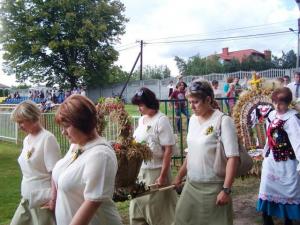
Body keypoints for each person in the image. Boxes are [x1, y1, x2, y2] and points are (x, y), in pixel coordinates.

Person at [174, 79, 240, 225]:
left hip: (214, 188)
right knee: (181, 220)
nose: (191, 106)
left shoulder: (223, 121)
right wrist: (179, 176)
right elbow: (190, 153)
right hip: (191, 185)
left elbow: (233, 158)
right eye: (189, 102)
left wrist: (226, 190)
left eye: (195, 102)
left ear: (208, 99)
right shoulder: (192, 120)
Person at [52, 94, 122, 225]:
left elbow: (92, 203)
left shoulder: (101, 155)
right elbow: (59, 174)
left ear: (82, 122)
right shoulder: (76, 145)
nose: (63, 132)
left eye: (66, 126)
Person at [130, 87, 177, 225]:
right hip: (140, 171)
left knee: (157, 212)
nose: (139, 108)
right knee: (137, 208)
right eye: (137, 105)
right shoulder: (142, 119)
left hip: (156, 171)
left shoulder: (161, 120)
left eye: (141, 105)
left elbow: (168, 150)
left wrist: (162, 176)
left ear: (150, 103)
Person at [10, 100, 61, 225]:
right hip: (27, 198)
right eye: (18, 122)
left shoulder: (47, 138)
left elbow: (56, 173)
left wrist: (53, 200)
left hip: (42, 199)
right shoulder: (26, 139)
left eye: (21, 121)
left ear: (32, 118)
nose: (19, 125)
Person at [256, 87, 300, 225]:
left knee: (288, 192)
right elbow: (270, 136)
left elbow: (298, 142)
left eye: (281, 103)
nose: (277, 106)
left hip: (287, 163)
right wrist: (265, 152)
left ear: (288, 103)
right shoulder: (271, 115)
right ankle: (267, 218)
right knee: (266, 188)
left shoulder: (292, 119)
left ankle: (288, 220)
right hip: (271, 161)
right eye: (275, 103)